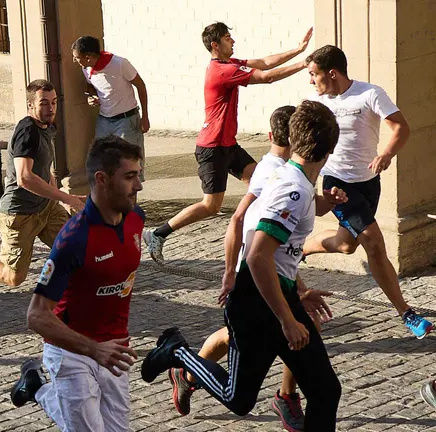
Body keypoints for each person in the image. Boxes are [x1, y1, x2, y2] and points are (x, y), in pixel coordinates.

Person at [142, 100, 342, 431]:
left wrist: (297, 290)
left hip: (276, 295)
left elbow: (268, 242)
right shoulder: (294, 190)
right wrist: (287, 319)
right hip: (255, 305)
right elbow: (259, 255)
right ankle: (178, 351)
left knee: (325, 390)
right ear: (327, 152)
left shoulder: (287, 177)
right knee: (239, 399)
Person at [143, 22, 313, 263]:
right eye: (227, 38)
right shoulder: (222, 71)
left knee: (261, 183)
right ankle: (157, 234)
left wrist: (298, 50)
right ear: (215, 45)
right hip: (212, 148)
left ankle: (269, 240)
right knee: (211, 205)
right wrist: (304, 64)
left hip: (228, 145)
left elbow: (264, 63)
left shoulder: (228, 64)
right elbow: (265, 77)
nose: (232, 41)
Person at [9, 136, 144, 431]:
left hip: (116, 350)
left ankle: (36, 388)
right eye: (130, 177)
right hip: (72, 353)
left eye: (138, 175)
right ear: (102, 179)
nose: (139, 186)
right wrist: (94, 350)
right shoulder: (74, 239)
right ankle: (41, 388)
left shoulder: (136, 218)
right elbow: (36, 316)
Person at [302, 45, 433, 339]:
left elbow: (400, 127)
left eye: (314, 74)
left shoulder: (369, 93)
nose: (311, 81)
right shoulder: (315, 102)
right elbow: (301, 141)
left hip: (368, 181)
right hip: (336, 182)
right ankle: (408, 314)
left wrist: (386, 154)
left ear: (331, 73)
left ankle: (302, 249)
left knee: (346, 244)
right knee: (373, 242)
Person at [0, 80, 85, 290]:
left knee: (76, 249)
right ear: (31, 105)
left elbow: (44, 168)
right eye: (44, 103)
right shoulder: (28, 131)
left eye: (54, 102)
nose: (50, 108)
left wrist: (58, 197)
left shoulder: (48, 126)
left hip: (46, 208)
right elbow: (25, 177)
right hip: (19, 214)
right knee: (13, 277)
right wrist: (66, 197)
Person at [71, 36, 149, 179]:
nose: (74, 60)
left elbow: (140, 85)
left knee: (129, 163)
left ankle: (131, 200)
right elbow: (92, 86)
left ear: (88, 57)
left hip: (127, 120)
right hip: (104, 120)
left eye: (77, 57)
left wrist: (145, 116)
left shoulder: (120, 64)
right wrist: (91, 96)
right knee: (101, 160)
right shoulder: (86, 68)